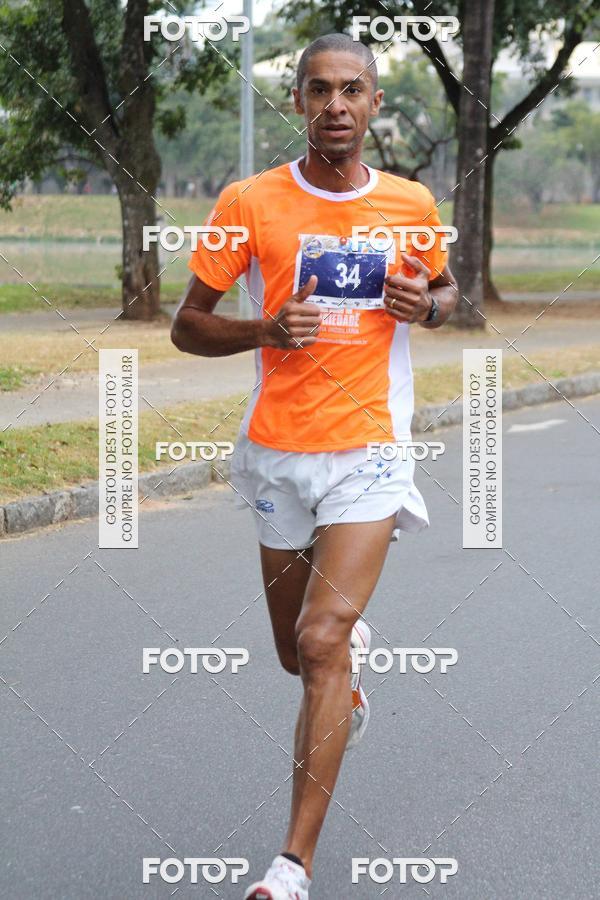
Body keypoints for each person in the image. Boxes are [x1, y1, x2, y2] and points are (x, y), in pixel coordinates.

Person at [171, 32, 457, 900]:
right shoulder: (251, 202)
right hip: (277, 455)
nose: (336, 105)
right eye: (319, 90)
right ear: (297, 102)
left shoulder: (409, 203)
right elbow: (186, 325)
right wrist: (264, 328)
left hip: (369, 448)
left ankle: (290, 866)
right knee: (296, 656)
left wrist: (431, 307)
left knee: (320, 641)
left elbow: (449, 292)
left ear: (374, 104)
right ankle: (347, 678)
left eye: (353, 90)